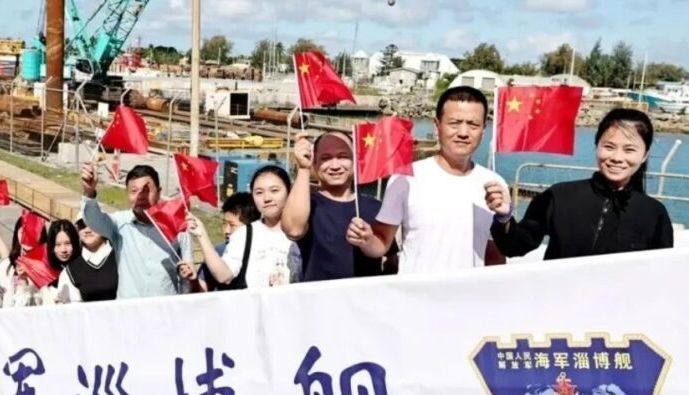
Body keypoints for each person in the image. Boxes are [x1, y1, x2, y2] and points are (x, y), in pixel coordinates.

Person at [351, 86, 510, 275]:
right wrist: (366, 239)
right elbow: (381, 243)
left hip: (469, 298)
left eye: (473, 124)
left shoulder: (495, 184)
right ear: (437, 125)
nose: (463, 132)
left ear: (483, 129)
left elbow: (495, 254)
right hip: (416, 297)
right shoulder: (405, 177)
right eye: (454, 123)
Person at [487, 108, 674, 259]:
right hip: (559, 303)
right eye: (609, 147)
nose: (617, 157)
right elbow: (514, 247)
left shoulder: (654, 214)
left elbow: (659, 275)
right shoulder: (559, 196)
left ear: (644, 156)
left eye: (629, 150)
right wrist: (504, 217)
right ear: (597, 146)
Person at [281, 130, 397, 281]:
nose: (335, 166)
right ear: (315, 163)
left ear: (355, 161)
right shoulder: (308, 205)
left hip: (365, 300)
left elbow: (391, 257)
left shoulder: (375, 206)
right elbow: (293, 229)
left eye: (343, 157)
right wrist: (304, 168)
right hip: (319, 300)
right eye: (326, 158)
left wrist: (369, 241)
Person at [79, 164, 197, 299]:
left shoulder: (177, 227)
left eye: (146, 190)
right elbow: (93, 221)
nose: (140, 197)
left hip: (164, 311)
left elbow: (189, 274)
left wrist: (189, 279)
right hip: (129, 312)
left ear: (159, 192)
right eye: (134, 191)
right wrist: (89, 192)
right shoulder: (120, 223)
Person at [188, 165, 301, 289]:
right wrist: (202, 234)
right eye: (259, 192)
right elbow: (223, 275)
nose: (267, 198)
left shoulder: (302, 231)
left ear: (288, 191)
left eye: (274, 190)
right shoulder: (244, 234)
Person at [0, 212, 56, 308]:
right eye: (23, 232)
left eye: (32, 232)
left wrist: (25, 283)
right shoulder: (6, 266)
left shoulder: (48, 267)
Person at [198, 192, 260, 292]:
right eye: (224, 223)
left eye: (232, 225)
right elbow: (201, 289)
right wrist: (191, 279)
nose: (226, 230)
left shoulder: (264, 251)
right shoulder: (215, 253)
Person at [57, 218, 119, 303]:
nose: (87, 230)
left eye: (93, 224)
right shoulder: (70, 271)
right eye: (82, 226)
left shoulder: (122, 258)